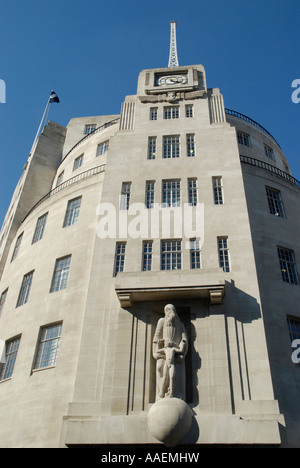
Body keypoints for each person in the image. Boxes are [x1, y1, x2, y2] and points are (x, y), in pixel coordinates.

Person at [152, 304, 188, 400]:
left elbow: (184, 339)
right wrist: (156, 349)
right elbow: (156, 336)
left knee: (173, 376)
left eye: (169, 309)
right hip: (163, 352)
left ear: (173, 310)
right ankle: (161, 393)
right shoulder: (162, 321)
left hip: (175, 355)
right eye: (166, 310)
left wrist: (181, 349)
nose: (168, 312)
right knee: (159, 368)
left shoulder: (180, 324)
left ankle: (174, 393)